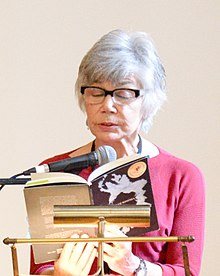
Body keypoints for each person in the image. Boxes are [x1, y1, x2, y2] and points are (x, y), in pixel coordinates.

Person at [30, 29, 205, 276]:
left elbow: (187, 272)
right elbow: (38, 268)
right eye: (96, 92)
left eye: (123, 94)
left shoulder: (182, 176)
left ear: (148, 103)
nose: (107, 106)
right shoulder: (54, 170)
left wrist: (135, 267)